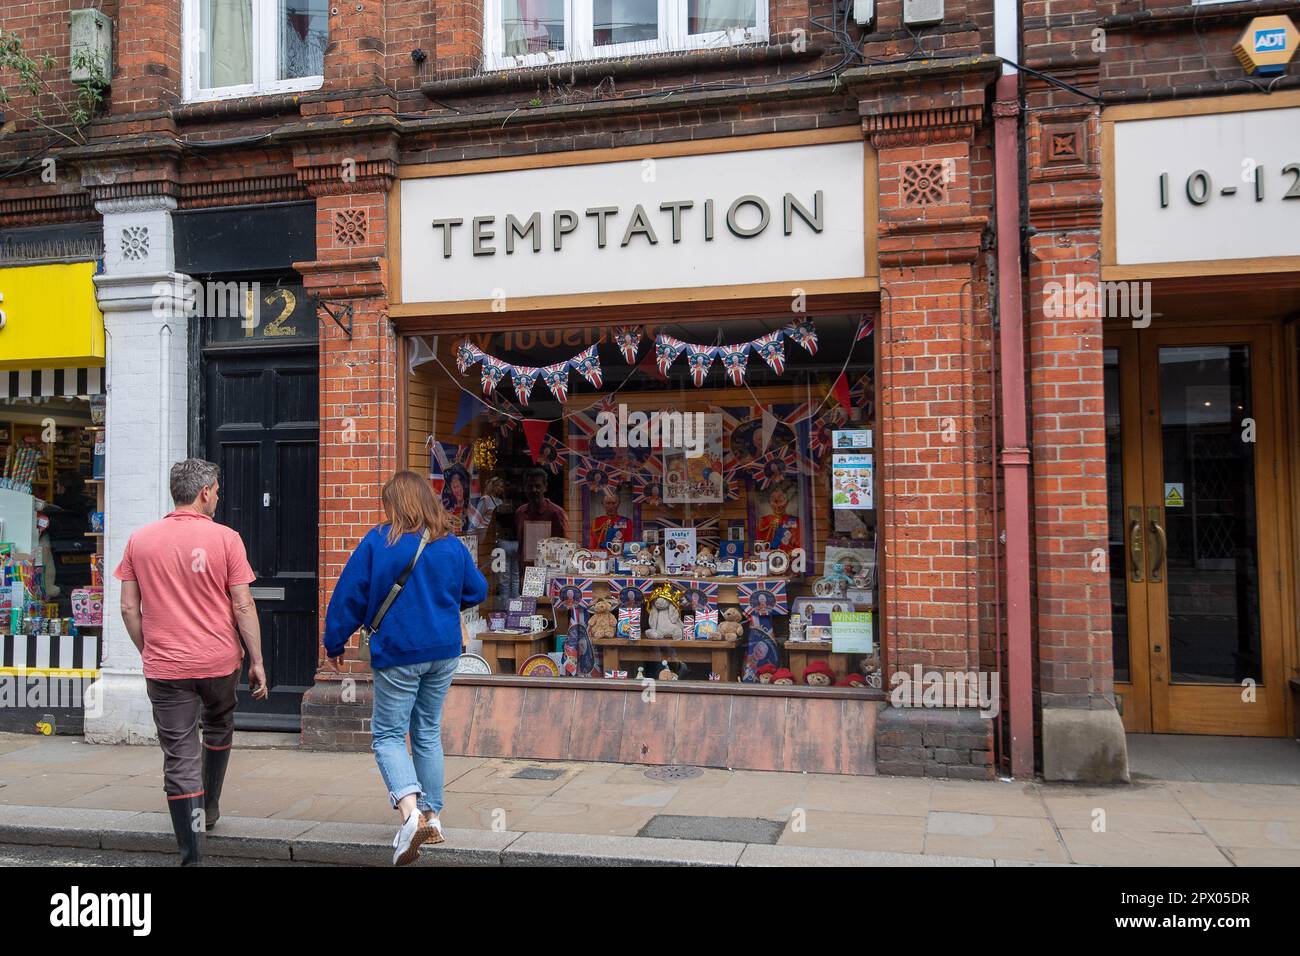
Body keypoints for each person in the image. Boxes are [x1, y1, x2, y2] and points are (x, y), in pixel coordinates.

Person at [323, 471, 487, 866]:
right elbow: (477, 590)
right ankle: (433, 816)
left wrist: (334, 641)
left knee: (388, 735)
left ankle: (410, 815)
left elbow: (349, 595)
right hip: (444, 650)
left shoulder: (379, 541)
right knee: (427, 731)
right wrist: (442, 608)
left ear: (394, 505)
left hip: (399, 651)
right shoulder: (450, 545)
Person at [115, 458, 267, 866]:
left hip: (166, 667)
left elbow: (129, 609)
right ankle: (211, 805)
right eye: (216, 490)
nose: (218, 496)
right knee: (218, 723)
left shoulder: (139, 540)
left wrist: (149, 649)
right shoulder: (227, 539)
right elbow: (243, 604)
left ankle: (192, 856)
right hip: (219, 662)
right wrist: (257, 660)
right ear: (204, 492)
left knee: (180, 755)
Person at [514, 466, 568, 542]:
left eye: (537, 486)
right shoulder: (520, 513)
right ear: (524, 488)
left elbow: (565, 544)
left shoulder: (557, 513)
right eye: (530, 486)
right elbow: (521, 545)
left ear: (545, 487)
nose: (534, 490)